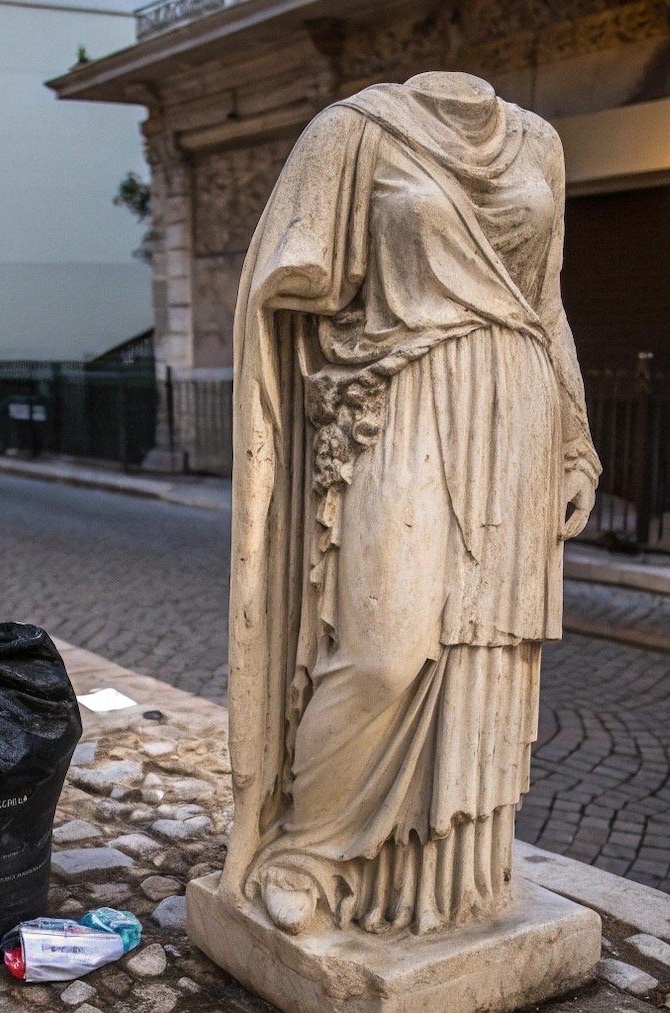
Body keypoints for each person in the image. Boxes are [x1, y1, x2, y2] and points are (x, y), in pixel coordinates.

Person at [223, 72, 599, 937]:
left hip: (516, 412)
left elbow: (546, 304)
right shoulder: (353, 131)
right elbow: (285, 276)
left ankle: (444, 877)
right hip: (401, 396)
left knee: (480, 652)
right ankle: (305, 850)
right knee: (383, 650)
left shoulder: (538, 140)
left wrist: (576, 442)